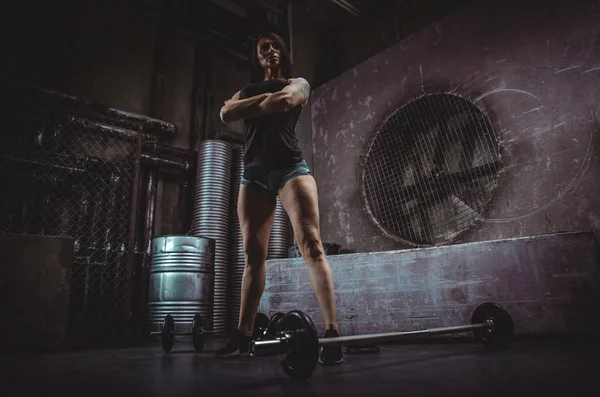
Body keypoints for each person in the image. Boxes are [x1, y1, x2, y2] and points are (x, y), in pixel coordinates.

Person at [214, 31, 343, 365]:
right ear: (258, 58)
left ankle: (332, 332)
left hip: (290, 169)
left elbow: (284, 101)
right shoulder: (248, 88)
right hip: (253, 174)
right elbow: (225, 116)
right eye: (262, 49)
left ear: (282, 54)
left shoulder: (297, 82)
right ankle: (243, 334)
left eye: (273, 47)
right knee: (253, 256)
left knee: (311, 245)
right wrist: (251, 105)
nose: (269, 51)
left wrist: (242, 108)